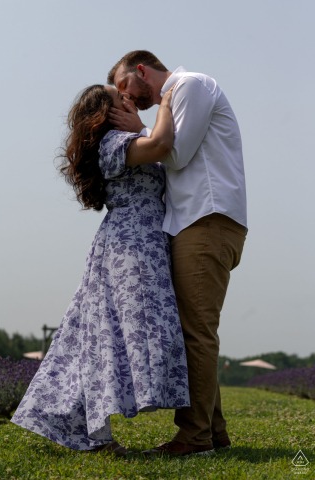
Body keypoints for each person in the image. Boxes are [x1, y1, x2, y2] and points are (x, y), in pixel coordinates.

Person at [11, 84, 190, 456]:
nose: (128, 99)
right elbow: (160, 146)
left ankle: (86, 430)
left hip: (137, 242)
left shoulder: (122, 139)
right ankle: (92, 433)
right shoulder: (112, 144)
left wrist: (139, 125)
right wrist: (167, 102)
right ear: (105, 114)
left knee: (95, 335)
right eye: (119, 98)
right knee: (106, 336)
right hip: (130, 246)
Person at [107, 51, 248, 457]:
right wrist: (147, 128)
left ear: (141, 70)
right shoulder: (178, 96)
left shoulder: (189, 85)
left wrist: (139, 128)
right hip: (197, 221)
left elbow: (176, 152)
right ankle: (214, 433)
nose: (127, 99)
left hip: (206, 219)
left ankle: (194, 438)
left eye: (124, 88)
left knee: (196, 334)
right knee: (194, 330)